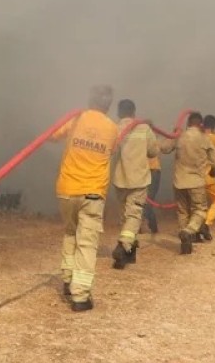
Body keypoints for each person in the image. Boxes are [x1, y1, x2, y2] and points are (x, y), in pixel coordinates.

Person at [48, 85, 118, 312]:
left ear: (90, 99)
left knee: (70, 233)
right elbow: (112, 150)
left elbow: (52, 136)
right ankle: (80, 296)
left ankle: (68, 279)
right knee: (87, 242)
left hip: (67, 189)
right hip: (92, 193)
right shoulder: (112, 128)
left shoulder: (76, 119)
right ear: (109, 104)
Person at [158, 111, 215, 255]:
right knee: (200, 210)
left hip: (179, 182)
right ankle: (189, 231)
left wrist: (173, 133)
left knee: (182, 212)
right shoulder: (204, 138)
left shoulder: (180, 135)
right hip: (196, 182)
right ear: (201, 124)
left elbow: (164, 148)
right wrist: (213, 172)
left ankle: (185, 244)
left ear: (188, 123)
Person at [110, 99, 158, 269]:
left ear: (118, 112)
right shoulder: (143, 128)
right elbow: (153, 152)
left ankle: (129, 252)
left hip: (120, 179)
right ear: (134, 112)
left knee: (125, 216)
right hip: (138, 179)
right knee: (134, 216)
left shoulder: (113, 129)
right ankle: (123, 245)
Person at [198, 114, 215, 242]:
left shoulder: (196, 137)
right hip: (209, 175)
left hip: (195, 176)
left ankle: (196, 229)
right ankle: (206, 224)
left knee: (198, 204)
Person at [141, 145, 162, 235]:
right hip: (147, 171)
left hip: (151, 171)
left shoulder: (151, 138)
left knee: (148, 200)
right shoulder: (151, 138)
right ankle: (152, 226)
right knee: (145, 199)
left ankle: (142, 225)